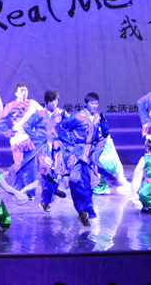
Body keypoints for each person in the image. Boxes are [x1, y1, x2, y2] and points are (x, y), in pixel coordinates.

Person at [57, 92, 109, 227]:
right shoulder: (78, 116)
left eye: (96, 103)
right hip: (77, 152)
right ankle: (81, 208)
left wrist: (97, 151)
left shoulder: (98, 118)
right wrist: (68, 144)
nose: (94, 105)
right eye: (92, 103)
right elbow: (60, 127)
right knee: (74, 180)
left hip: (90, 153)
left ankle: (84, 212)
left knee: (88, 183)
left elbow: (104, 135)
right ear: (86, 104)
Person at [12, 89, 68, 213]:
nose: (54, 103)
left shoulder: (61, 114)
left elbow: (68, 126)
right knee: (46, 171)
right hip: (43, 147)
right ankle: (49, 195)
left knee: (56, 173)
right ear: (47, 102)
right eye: (52, 101)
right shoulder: (39, 114)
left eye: (56, 101)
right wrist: (37, 137)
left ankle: (48, 196)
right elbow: (27, 126)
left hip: (57, 147)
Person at [0, 83, 44, 191]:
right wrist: (7, 132)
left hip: (31, 138)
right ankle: (18, 191)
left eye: (25, 90)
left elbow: (43, 115)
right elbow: (0, 120)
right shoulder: (10, 106)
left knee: (31, 166)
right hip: (17, 138)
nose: (24, 92)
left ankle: (30, 192)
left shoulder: (33, 104)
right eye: (21, 90)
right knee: (18, 164)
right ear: (16, 93)